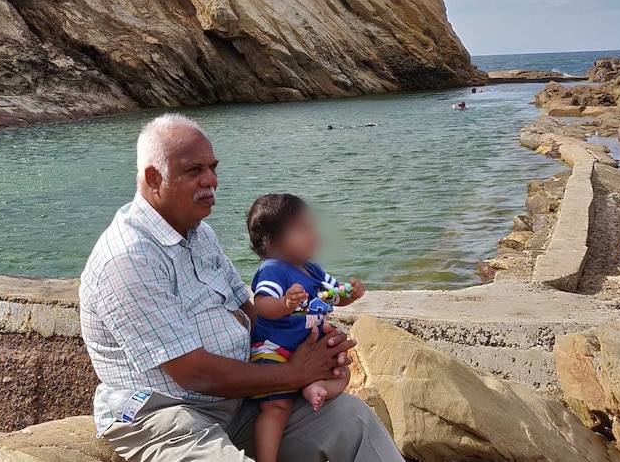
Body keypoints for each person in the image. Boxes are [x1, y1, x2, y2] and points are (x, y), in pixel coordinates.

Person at [79, 113, 404, 462]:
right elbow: (193, 373)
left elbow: (249, 309)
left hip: (238, 400)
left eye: (213, 167)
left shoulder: (199, 234)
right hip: (167, 415)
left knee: (352, 420)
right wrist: (293, 373)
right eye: (194, 171)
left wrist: (306, 338)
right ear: (153, 178)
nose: (211, 180)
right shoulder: (130, 259)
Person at [246, 193, 366, 462]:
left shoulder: (311, 270)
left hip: (305, 349)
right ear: (273, 242)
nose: (313, 234)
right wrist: (286, 303)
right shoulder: (274, 269)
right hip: (274, 350)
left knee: (343, 373)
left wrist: (350, 294)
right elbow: (263, 304)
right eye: (302, 229)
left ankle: (316, 387)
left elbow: (334, 296)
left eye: (311, 226)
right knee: (276, 407)